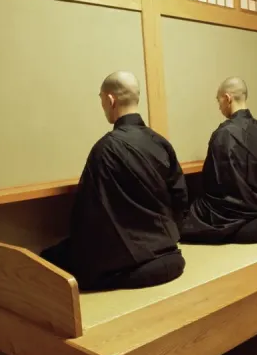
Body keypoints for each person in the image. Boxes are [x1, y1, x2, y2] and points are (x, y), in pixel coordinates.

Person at [40, 71, 189, 291]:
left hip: (128, 257)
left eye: (101, 100)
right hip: (168, 251)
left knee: (48, 258)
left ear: (111, 100)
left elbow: (87, 216)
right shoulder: (161, 143)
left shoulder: (105, 149)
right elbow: (180, 198)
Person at [180, 77, 257, 244]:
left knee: (190, 216)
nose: (219, 107)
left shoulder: (223, 133)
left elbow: (212, 183)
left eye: (219, 101)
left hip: (233, 210)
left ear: (227, 98)